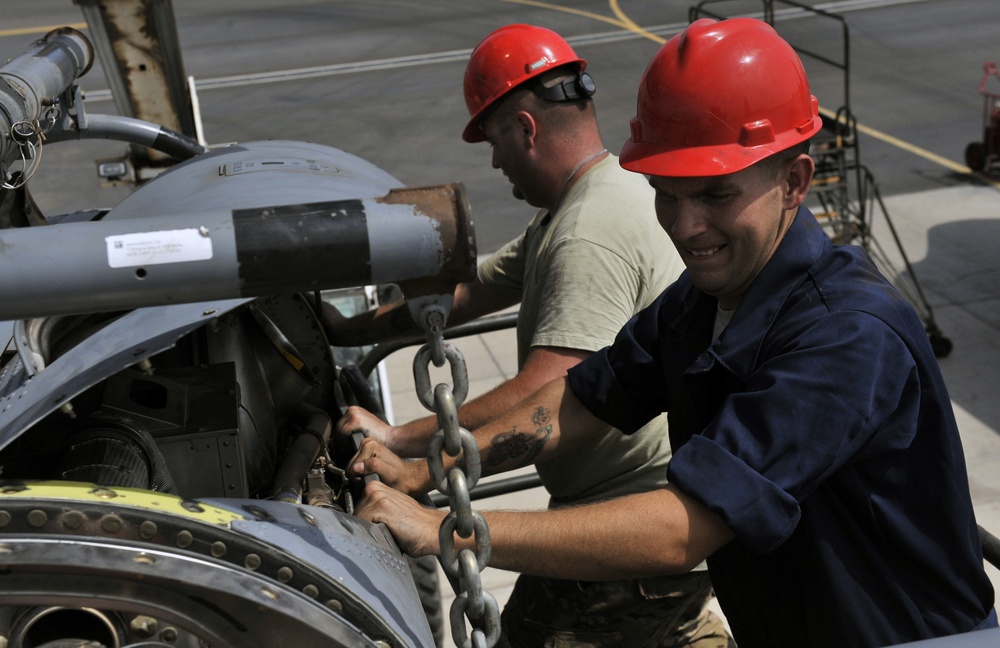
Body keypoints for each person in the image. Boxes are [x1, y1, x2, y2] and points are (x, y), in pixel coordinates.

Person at [348, 17, 998, 648]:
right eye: (666, 192)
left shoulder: (846, 336)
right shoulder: (704, 298)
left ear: (794, 182)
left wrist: (448, 526)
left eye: (715, 196)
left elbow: (680, 530)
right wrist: (430, 468)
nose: (684, 228)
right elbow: (581, 399)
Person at [329, 23, 727, 648]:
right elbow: (470, 291)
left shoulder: (586, 233)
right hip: (635, 517)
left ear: (524, 127)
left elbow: (548, 387)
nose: (493, 161)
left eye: (492, 142)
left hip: (630, 531)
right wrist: (344, 326)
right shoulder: (592, 199)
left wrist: (408, 449)